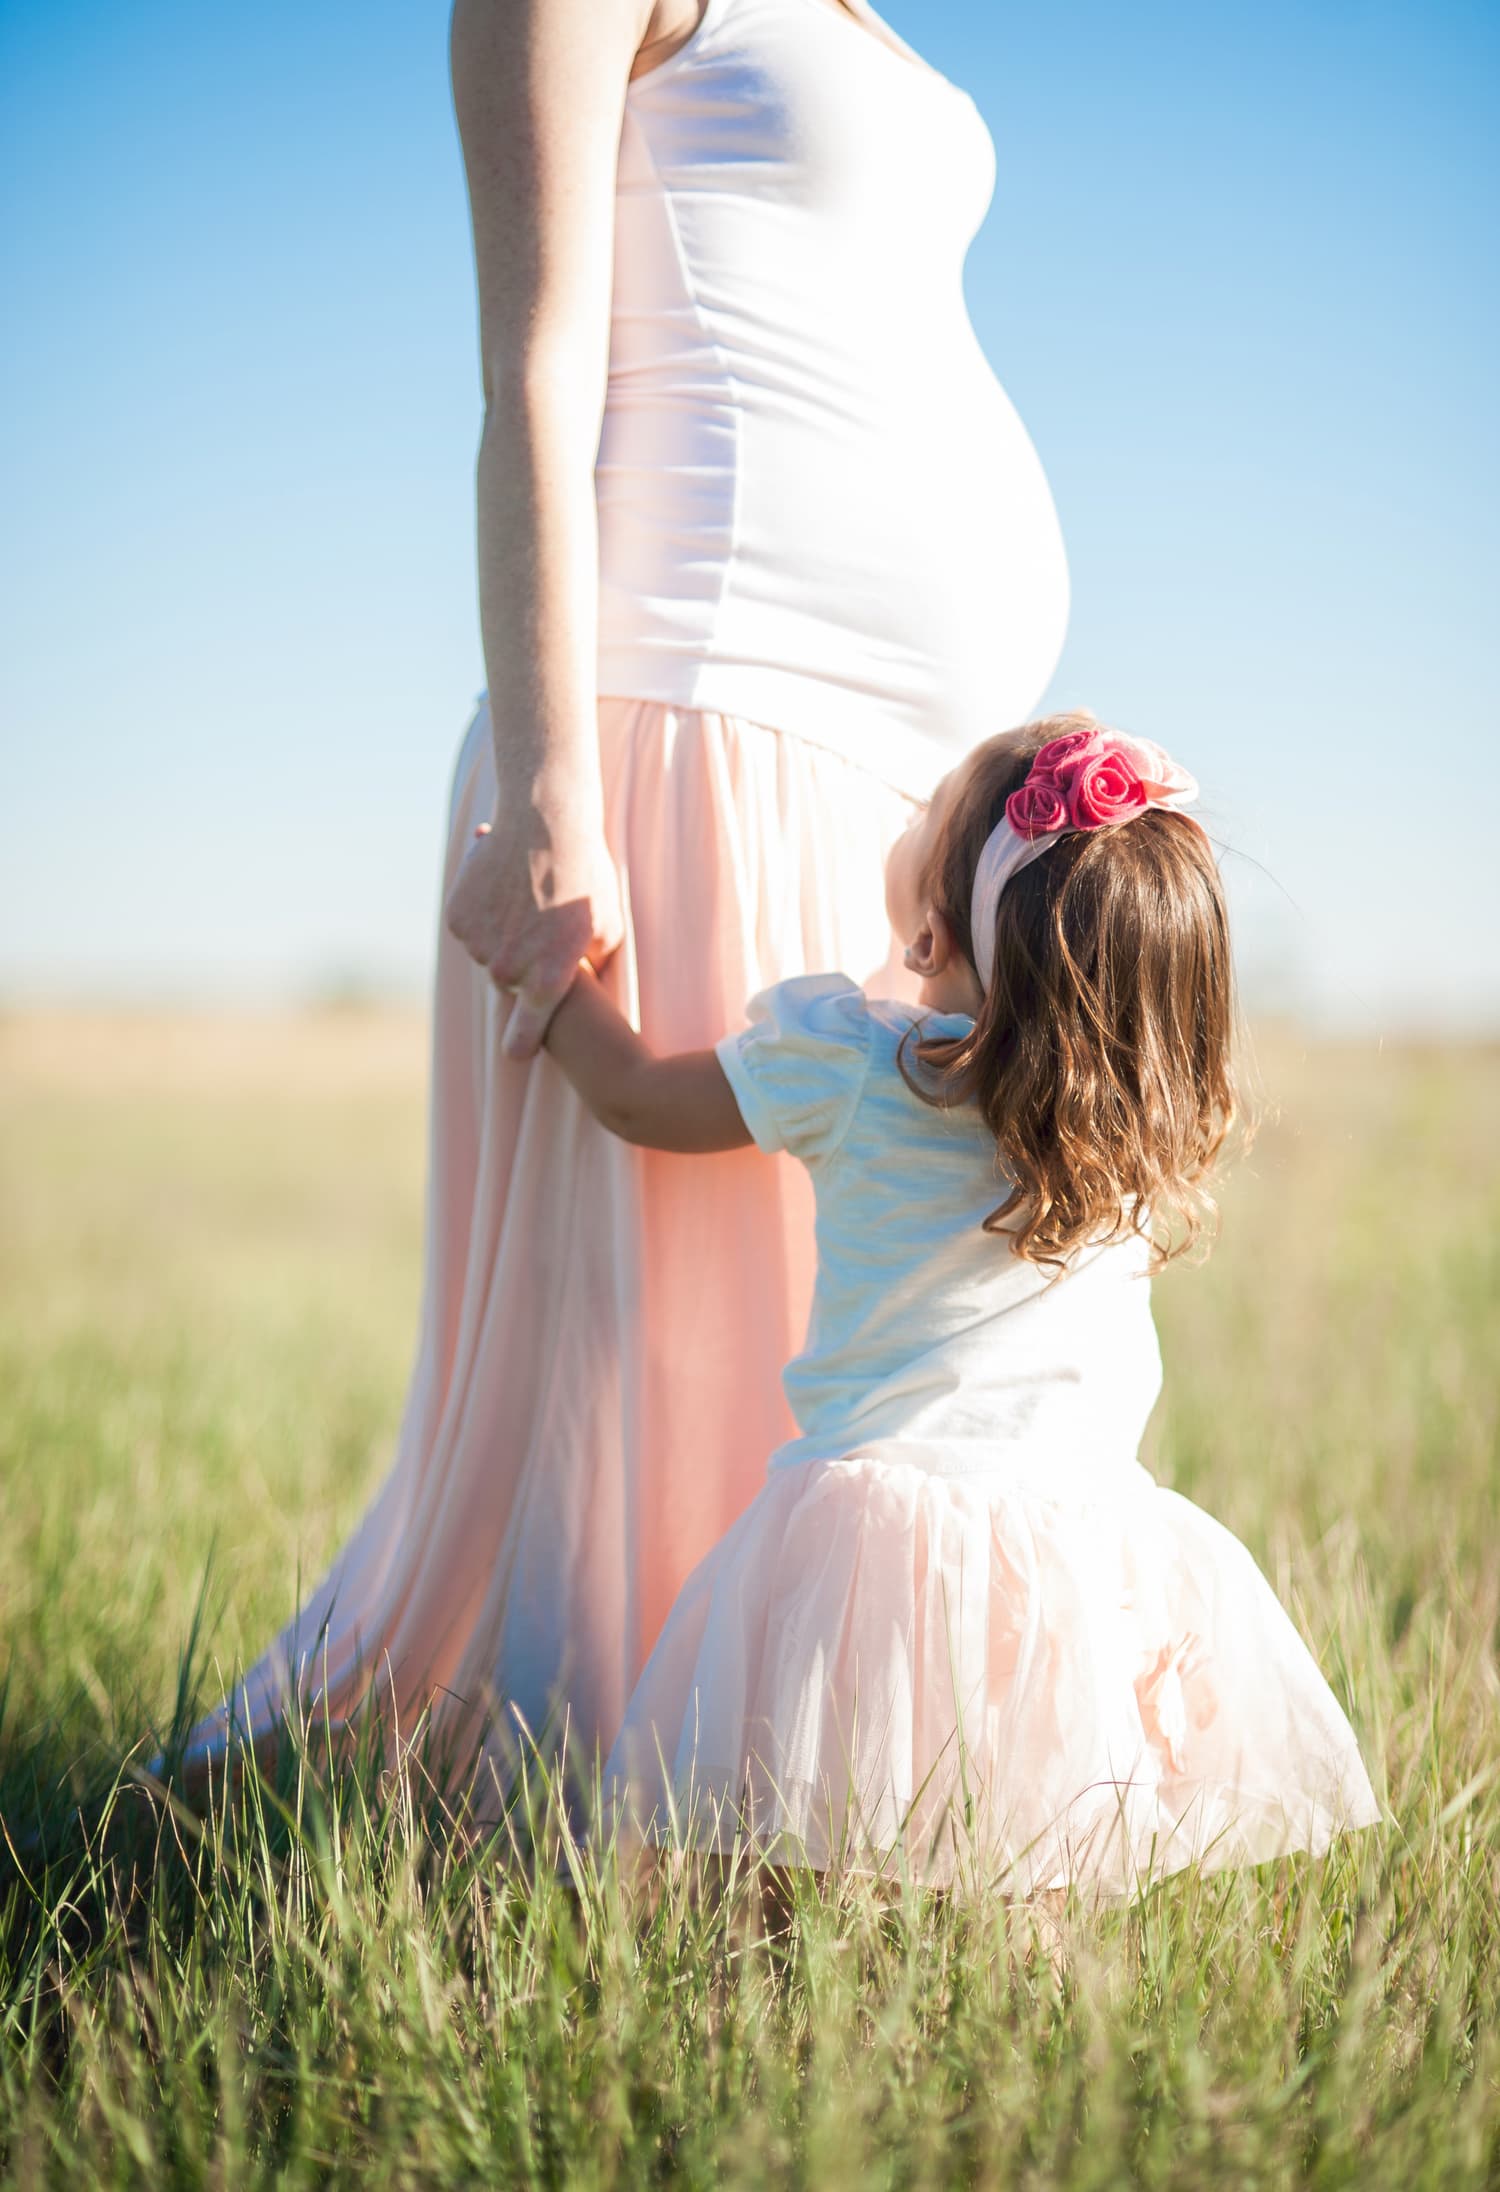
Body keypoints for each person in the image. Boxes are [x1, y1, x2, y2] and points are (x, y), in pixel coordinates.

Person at [161, 0, 1070, 1800]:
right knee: (670, 1340)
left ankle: (813, 1789)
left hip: (897, 785)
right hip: (688, 715)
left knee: (859, 1334)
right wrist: (555, 774)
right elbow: (535, 366)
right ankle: (597, 1809)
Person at [539, 716, 1383, 1891]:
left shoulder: (851, 1066)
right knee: (1043, 1845)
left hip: (871, 1546)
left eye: (927, 806)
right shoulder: (1128, 1136)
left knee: (793, 1844)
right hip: (1076, 1549)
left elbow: (633, 1098)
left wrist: (547, 980)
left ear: (930, 932)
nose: (912, 810)